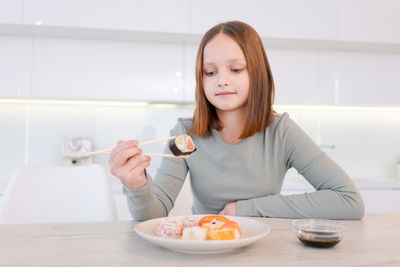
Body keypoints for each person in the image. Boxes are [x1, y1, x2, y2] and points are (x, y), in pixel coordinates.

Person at [108, 21, 365, 221]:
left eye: (236, 69)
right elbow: (154, 215)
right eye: (210, 72)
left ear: (257, 73)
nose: (221, 80)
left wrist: (243, 209)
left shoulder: (282, 132)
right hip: (206, 248)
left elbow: (349, 200)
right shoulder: (185, 133)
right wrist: (137, 185)